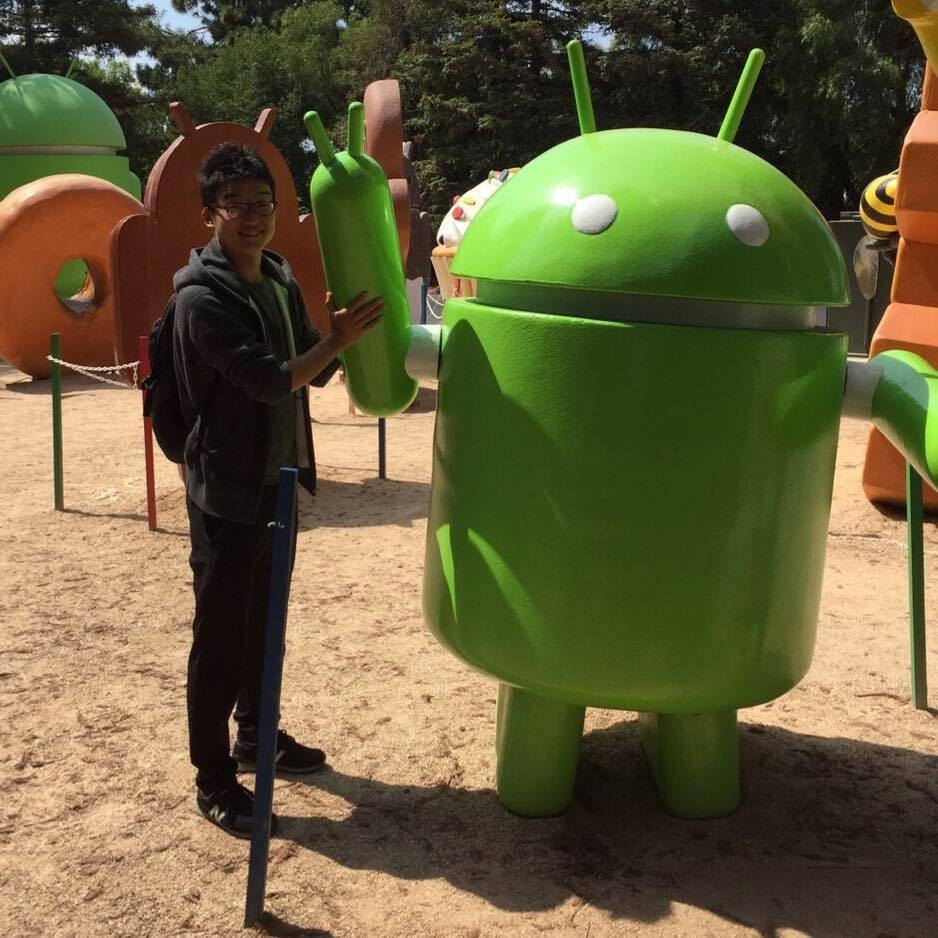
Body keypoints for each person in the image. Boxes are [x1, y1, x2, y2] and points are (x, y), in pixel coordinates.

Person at [173, 142, 383, 838]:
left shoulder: (280, 276)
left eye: (263, 204)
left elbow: (310, 368)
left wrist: (338, 339)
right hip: (226, 492)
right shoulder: (201, 298)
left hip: (280, 483)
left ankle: (258, 737)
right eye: (236, 205)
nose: (253, 217)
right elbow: (268, 381)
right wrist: (335, 342)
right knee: (220, 639)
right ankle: (213, 779)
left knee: (266, 624)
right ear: (209, 213)